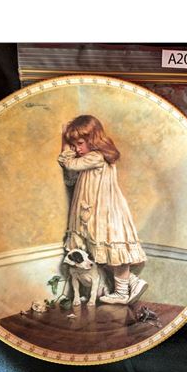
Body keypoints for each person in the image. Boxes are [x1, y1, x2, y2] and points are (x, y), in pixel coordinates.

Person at [58, 115, 148, 305]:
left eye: (80, 143)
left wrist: (65, 147)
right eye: (73, 145)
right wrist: (72, 154)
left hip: (104, 211)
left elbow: (71, 164)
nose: (77, 149)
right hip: (94, 211)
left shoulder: (96, 156)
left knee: (112, 250)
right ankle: (132, 282)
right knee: (101, 252)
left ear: (93, 139)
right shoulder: (89, 158)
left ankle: (122, 292)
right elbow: (71, 179)